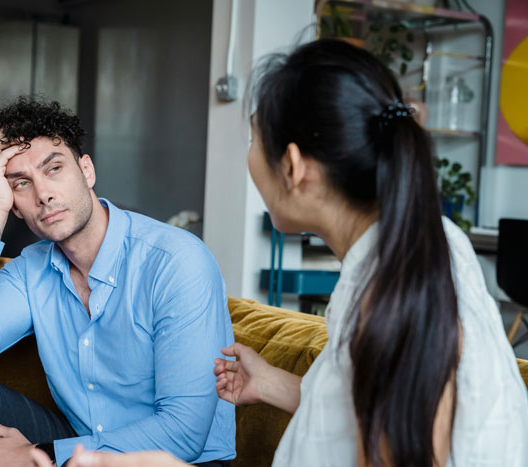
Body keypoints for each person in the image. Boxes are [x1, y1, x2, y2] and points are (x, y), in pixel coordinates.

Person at [63, 38, 528, 467]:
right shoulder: (425, 246)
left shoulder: (389, 296)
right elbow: (374, 407)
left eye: (253, 139)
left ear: (294, 166)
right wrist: (274, 385)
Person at [0, 98, 236, 467]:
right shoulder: (32, 269)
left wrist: (39, 457)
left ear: (87, 170)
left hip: (175, 460)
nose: (43, 194)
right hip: (79, 442)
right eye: (21, 184)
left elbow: (184, 434)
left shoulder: (176, 261)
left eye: (54, 169)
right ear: (15, 205)